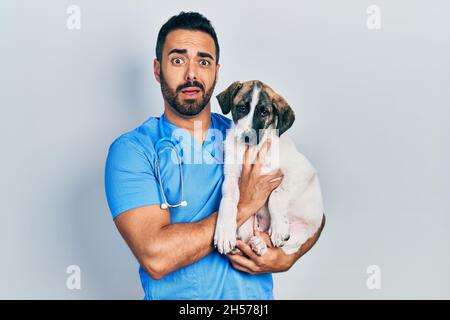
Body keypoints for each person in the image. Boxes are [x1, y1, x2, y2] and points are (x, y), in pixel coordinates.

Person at [104, 11, 325, 300]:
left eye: (203, 61)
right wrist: (244, 205)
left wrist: (288, 257)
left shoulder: (251, 138)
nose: (192, 74)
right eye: (178, 60)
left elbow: (309, 205)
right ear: (158, 69)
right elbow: (156, 258)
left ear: (216, 72)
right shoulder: (133, 151)